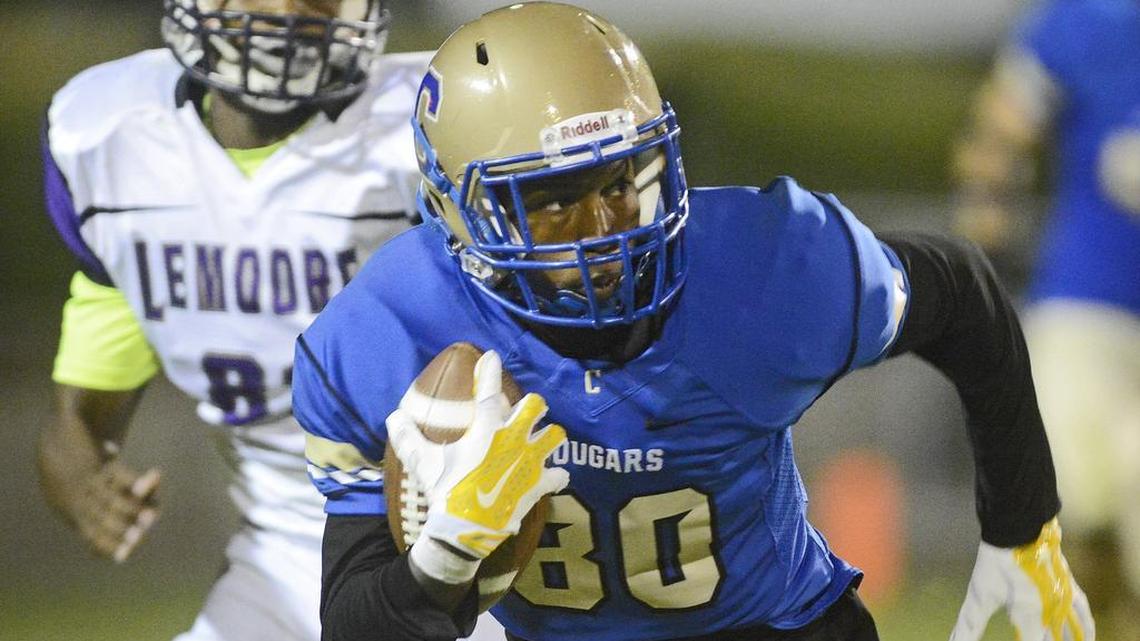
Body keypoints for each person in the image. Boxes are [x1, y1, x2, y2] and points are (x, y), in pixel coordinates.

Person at [293, 3, 1095, 640]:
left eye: (618, 179)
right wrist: (442, 559)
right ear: (455, 214)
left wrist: (1022, 526)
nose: (603, 227)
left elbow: (963, 294)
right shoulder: (390, 331)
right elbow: (357, 623)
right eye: (550, 200)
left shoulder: (762, 267)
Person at [36, 1, 504, 640]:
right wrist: (81, 469)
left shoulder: (437, 123)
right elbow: (82, 409)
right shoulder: (106, 133)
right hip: (286, 554)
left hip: (464, 535)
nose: (287, 9)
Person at [952, 0, 1140, 634]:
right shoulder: (1085, 20)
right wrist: (985, 213)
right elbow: (1001, 128)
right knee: (1076, 502)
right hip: (1085, 301)